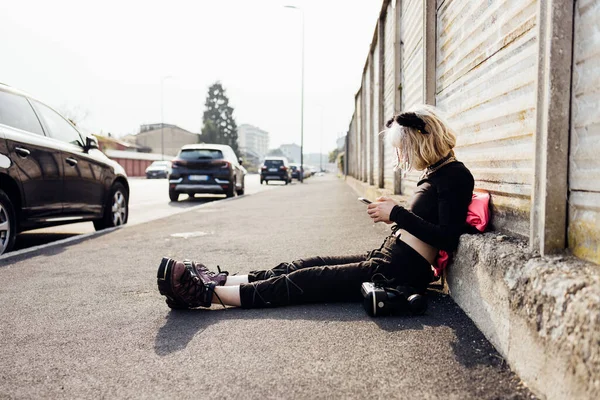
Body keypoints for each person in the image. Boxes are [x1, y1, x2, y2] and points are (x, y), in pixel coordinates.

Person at [156, 104, 475, 310]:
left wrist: (396, 213)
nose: (402, 158)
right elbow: (426, 223)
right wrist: (395, 214)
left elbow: (446, 237)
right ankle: (222, 280)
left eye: (404, 149)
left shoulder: (456, 176)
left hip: (397, 272)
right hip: (386, 257)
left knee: (304, 282)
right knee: (301, 264)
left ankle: (204, 295)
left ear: (422, 140)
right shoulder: (438, 173)